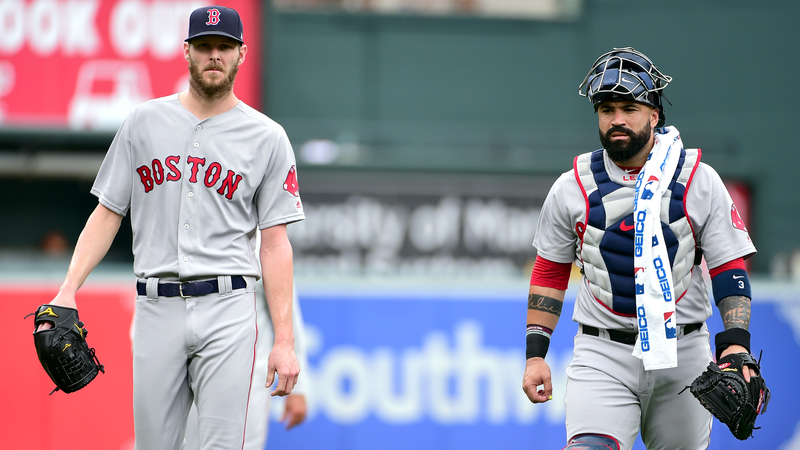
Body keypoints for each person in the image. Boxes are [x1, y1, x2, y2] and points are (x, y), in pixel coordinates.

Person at [39, 5, 304, 449]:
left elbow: (275, 244)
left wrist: (285, 340)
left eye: (224, 47)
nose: (214, 55)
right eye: (204, 46)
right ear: (186, 51)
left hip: (229, 306)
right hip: (156, 306)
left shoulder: (268, 137)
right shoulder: (143, 122)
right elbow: (107, 212)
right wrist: (68, 289)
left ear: (241, 53)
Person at [521, 47, 758, 450]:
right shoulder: (571, 185)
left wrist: (736, 342)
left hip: (683, 353)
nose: (617, 119)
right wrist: (535, 352)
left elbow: (727, 267)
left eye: (629, 108)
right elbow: (550, 270)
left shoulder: (697, 178)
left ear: (654, 114)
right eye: (606, 109)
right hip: (602, 352)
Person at [184, 284, 310, 450]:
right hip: (193, 371)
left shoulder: (260, 256)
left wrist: (298, 388)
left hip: (250, 377)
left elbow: (288, 315)